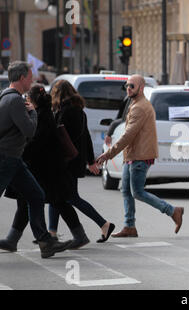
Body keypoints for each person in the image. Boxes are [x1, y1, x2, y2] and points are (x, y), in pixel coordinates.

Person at [0, 85, 90, 252]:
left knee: (58, 201)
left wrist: (20, 151)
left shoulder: (41, 116)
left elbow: (35, 142)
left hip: (48, 171)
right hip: (45, 169)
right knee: (31, 201)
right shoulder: (44, 113)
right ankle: (15, 239)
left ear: (32, 101)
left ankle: (78, 236)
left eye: (27, 100)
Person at [96, 75, 184, 238]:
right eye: (126, 86)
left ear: (141, 88)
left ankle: (173, 211)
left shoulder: (140, 107)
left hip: (140, 156)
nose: (128, 88)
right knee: (126, 190)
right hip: (133, 155)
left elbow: (128, 135)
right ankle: (129, 226)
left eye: (132, 86)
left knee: (136, 191)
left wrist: (109, 154)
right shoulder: (135, 104)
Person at [0, 61, 72, 258]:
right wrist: (32, 112)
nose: (32, 80)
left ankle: (44, 241)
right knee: (35, 195)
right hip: (7, 158)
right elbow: (30, 131)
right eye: (30, 77)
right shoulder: (15, 100)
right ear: (22, 78)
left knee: (36, 195)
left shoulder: (5, 96)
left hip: (13, 159)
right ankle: (44, 240)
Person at [50, 80, 115, 243]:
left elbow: (59, 137)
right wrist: (90, 161)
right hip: (75, 160)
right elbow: (86, 137)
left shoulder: (64, 111)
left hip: (66, 161)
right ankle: (51, 232)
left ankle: (104, 224)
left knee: (71, 197)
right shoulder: (79, 111)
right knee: (56, 195)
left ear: (57, 94)